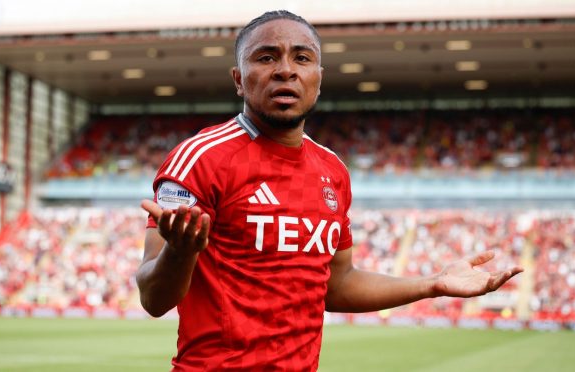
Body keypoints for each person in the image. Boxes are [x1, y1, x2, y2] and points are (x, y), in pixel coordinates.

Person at [137, 10, 523, 371]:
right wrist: (179, 252)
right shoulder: (199, 159)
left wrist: (432, 284)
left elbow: (337, 284)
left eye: (302, 58)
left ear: (319, 79)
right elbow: (153, 299)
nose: (285, 70)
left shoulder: (332, 170)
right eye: (266, 58)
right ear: (238, 78)